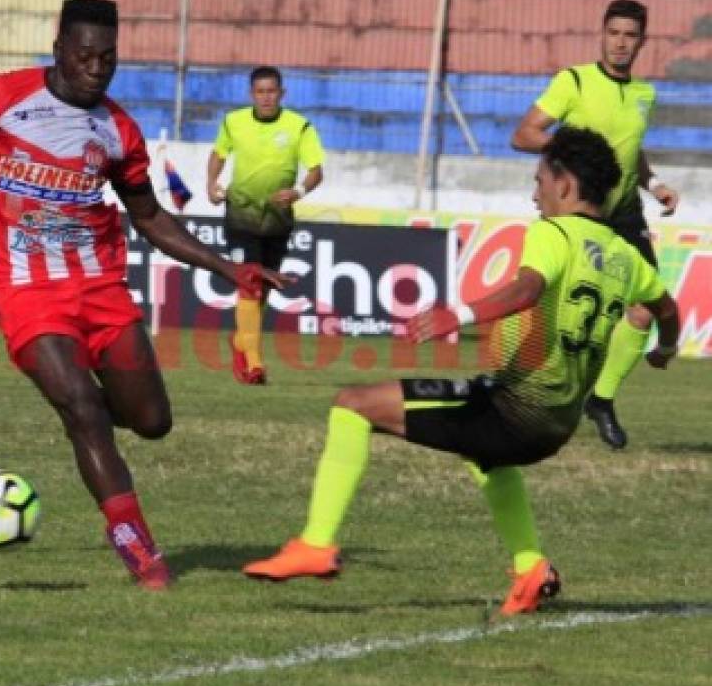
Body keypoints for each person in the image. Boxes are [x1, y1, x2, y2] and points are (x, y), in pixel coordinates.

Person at [0, 0, 289, 589]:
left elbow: (150, 217)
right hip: (28, 291)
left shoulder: (118, 130)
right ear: (58, 51)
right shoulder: (1, 97)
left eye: (109, 57)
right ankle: (140, 552)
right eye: (85, 56)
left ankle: (86, 426)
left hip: (100, 289)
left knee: (151, 421)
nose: (98, 68)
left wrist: (225, 267)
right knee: (81, 406)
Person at [243, 127, 679, 615]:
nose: (534, 193)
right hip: (556, 423)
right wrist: (665, 347)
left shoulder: (553, 233)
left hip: (517, 411)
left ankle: (316, 544)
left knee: (353, 404)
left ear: (565, 184)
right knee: (485, 456)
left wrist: (459, 314)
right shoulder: (626, 255)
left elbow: (528, 289)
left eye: (539, 181)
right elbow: (666, 308)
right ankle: (531, 566)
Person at [511, 0, 680, 450]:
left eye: (630, 35)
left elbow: (630, 150)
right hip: (578, 211)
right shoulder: (574, 81)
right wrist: (570, 156)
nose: (621, 43)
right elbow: (524, 133)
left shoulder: (645, 94)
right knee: (554, 302)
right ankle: (521, 387)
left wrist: (656, 184)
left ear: (642, 41)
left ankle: (600, 401)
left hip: (624, 212)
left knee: (644, 307)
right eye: (614, 33)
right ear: (602, 35)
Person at [206, 66, 324, 384]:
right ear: (251, 94)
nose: (266, 97)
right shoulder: (234, 121)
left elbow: (316, 170)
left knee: (265, 288)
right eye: (260, 91)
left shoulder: (299, 127)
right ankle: (254, 362)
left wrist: (298, 191)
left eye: (272, 91)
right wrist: (211, 182)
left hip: (277, 220)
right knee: (249, 282)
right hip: (240, 215)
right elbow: (218, 153)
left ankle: (242, 342)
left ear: (281, 93)